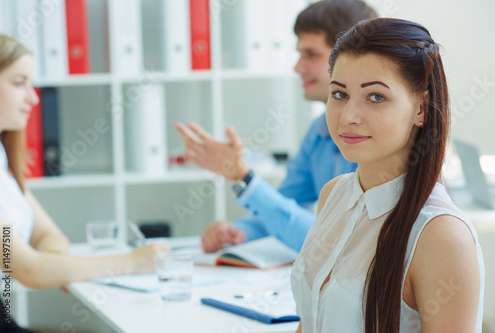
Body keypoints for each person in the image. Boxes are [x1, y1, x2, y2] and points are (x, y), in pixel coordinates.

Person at [290, 18, 484, 332]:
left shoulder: (440, 235)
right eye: (339, 94)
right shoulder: (333, 195)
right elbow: (311, 321)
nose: (349, 116)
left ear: (420, 108)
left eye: (376, 97)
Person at [0, 34, 169, 332]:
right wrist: (131, 262)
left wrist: (58, 268)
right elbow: (26, 269)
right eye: (19, 82)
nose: (33, 98)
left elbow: (49, 235)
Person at [174, 0, 377, 253]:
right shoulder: (319, 131)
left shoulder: (375, 138)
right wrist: (240, 232)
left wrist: (243, 177)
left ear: (351, 57)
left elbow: (333, 242)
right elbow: (284, 207)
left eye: (311, 54)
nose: (297, 67)